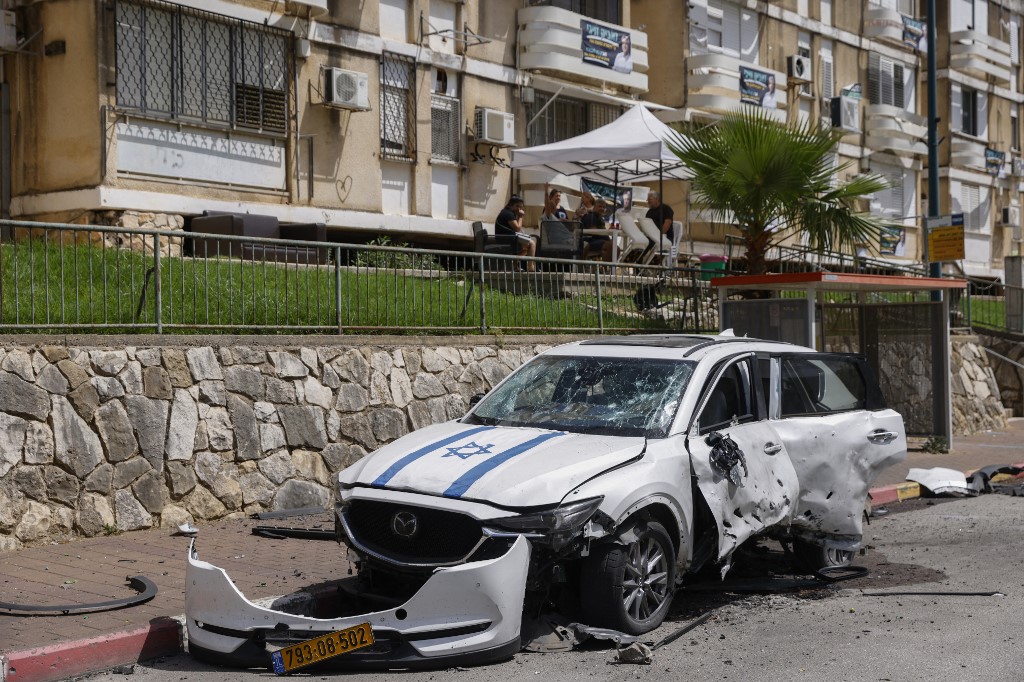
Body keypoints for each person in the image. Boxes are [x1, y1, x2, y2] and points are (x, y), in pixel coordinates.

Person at [495, 195, 537, 271]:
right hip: (506, 239)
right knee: (532, 244)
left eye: (520, 207)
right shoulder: (508, 214)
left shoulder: (508, 212)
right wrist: (520, 216)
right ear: (511, 205)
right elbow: (517, 228)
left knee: (525, 249)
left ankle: (514, 266)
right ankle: (531, 267)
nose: (519, 209)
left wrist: (518, 216)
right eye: (517, 206)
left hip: (507, 237)